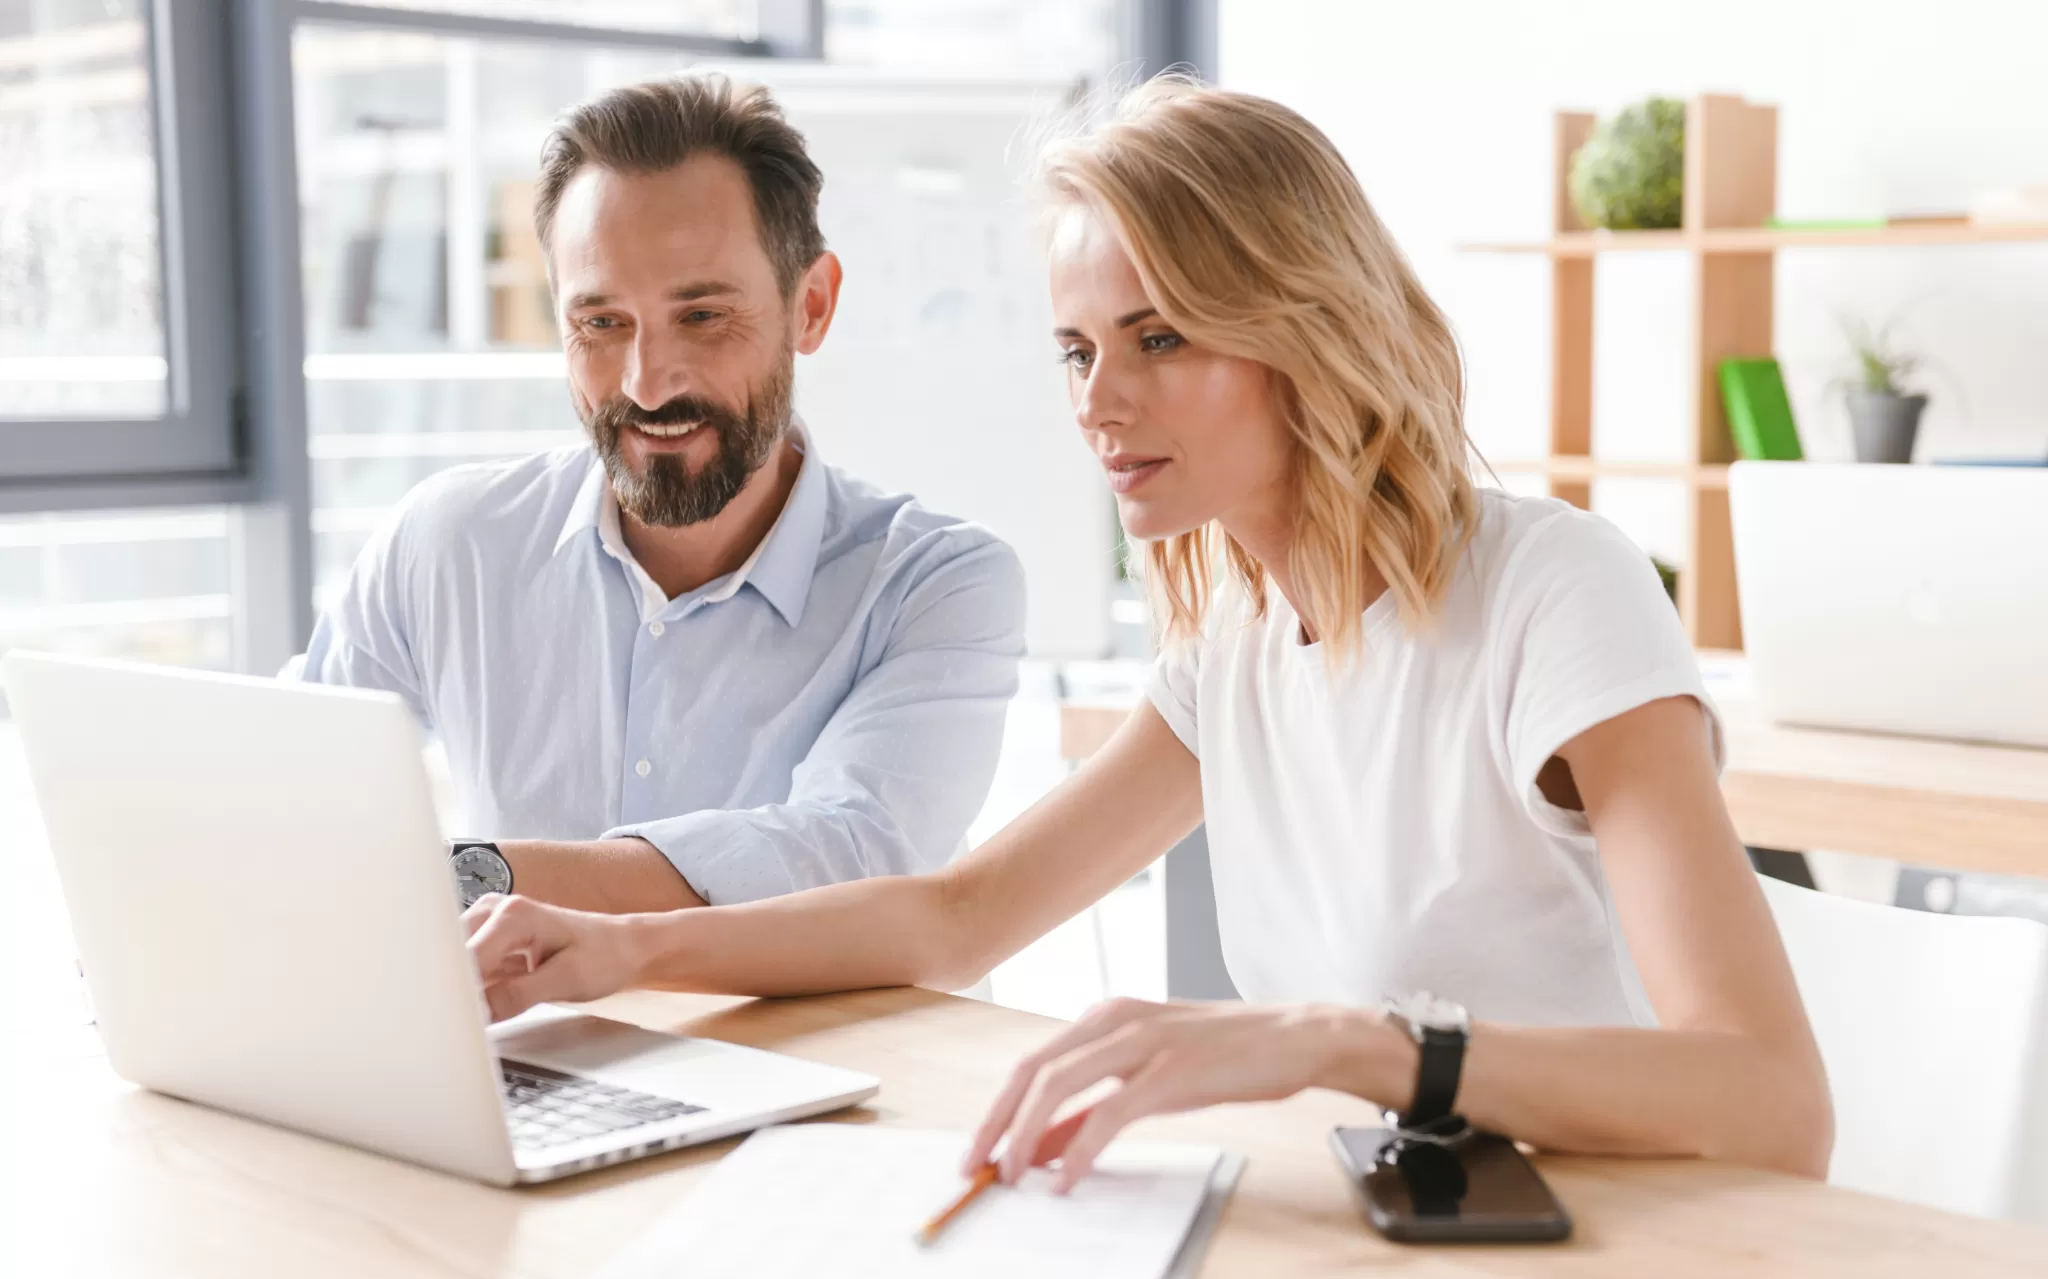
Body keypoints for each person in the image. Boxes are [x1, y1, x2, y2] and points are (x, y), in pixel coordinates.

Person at [463, 77, 1833, 1186]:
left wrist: (1341, 1044)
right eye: (1077, 348)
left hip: (1623, 1266)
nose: (1099, 399)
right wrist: (621, 947)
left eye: (1161, 336)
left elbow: (1773, 1100)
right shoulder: (1235, 639)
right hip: (1405, 1239)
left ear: (1303, 324)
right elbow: (960, 914)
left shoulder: (1555, 590)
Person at [292, 74, 1026, 914]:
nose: (645, 385)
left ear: (811, 305)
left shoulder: (934, 586)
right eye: (601, 324)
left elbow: (847, 856)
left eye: (703, 316)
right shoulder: (447, 544)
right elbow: (300, 788)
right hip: (524, 1047)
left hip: (816, 1050)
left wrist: (470, 875)